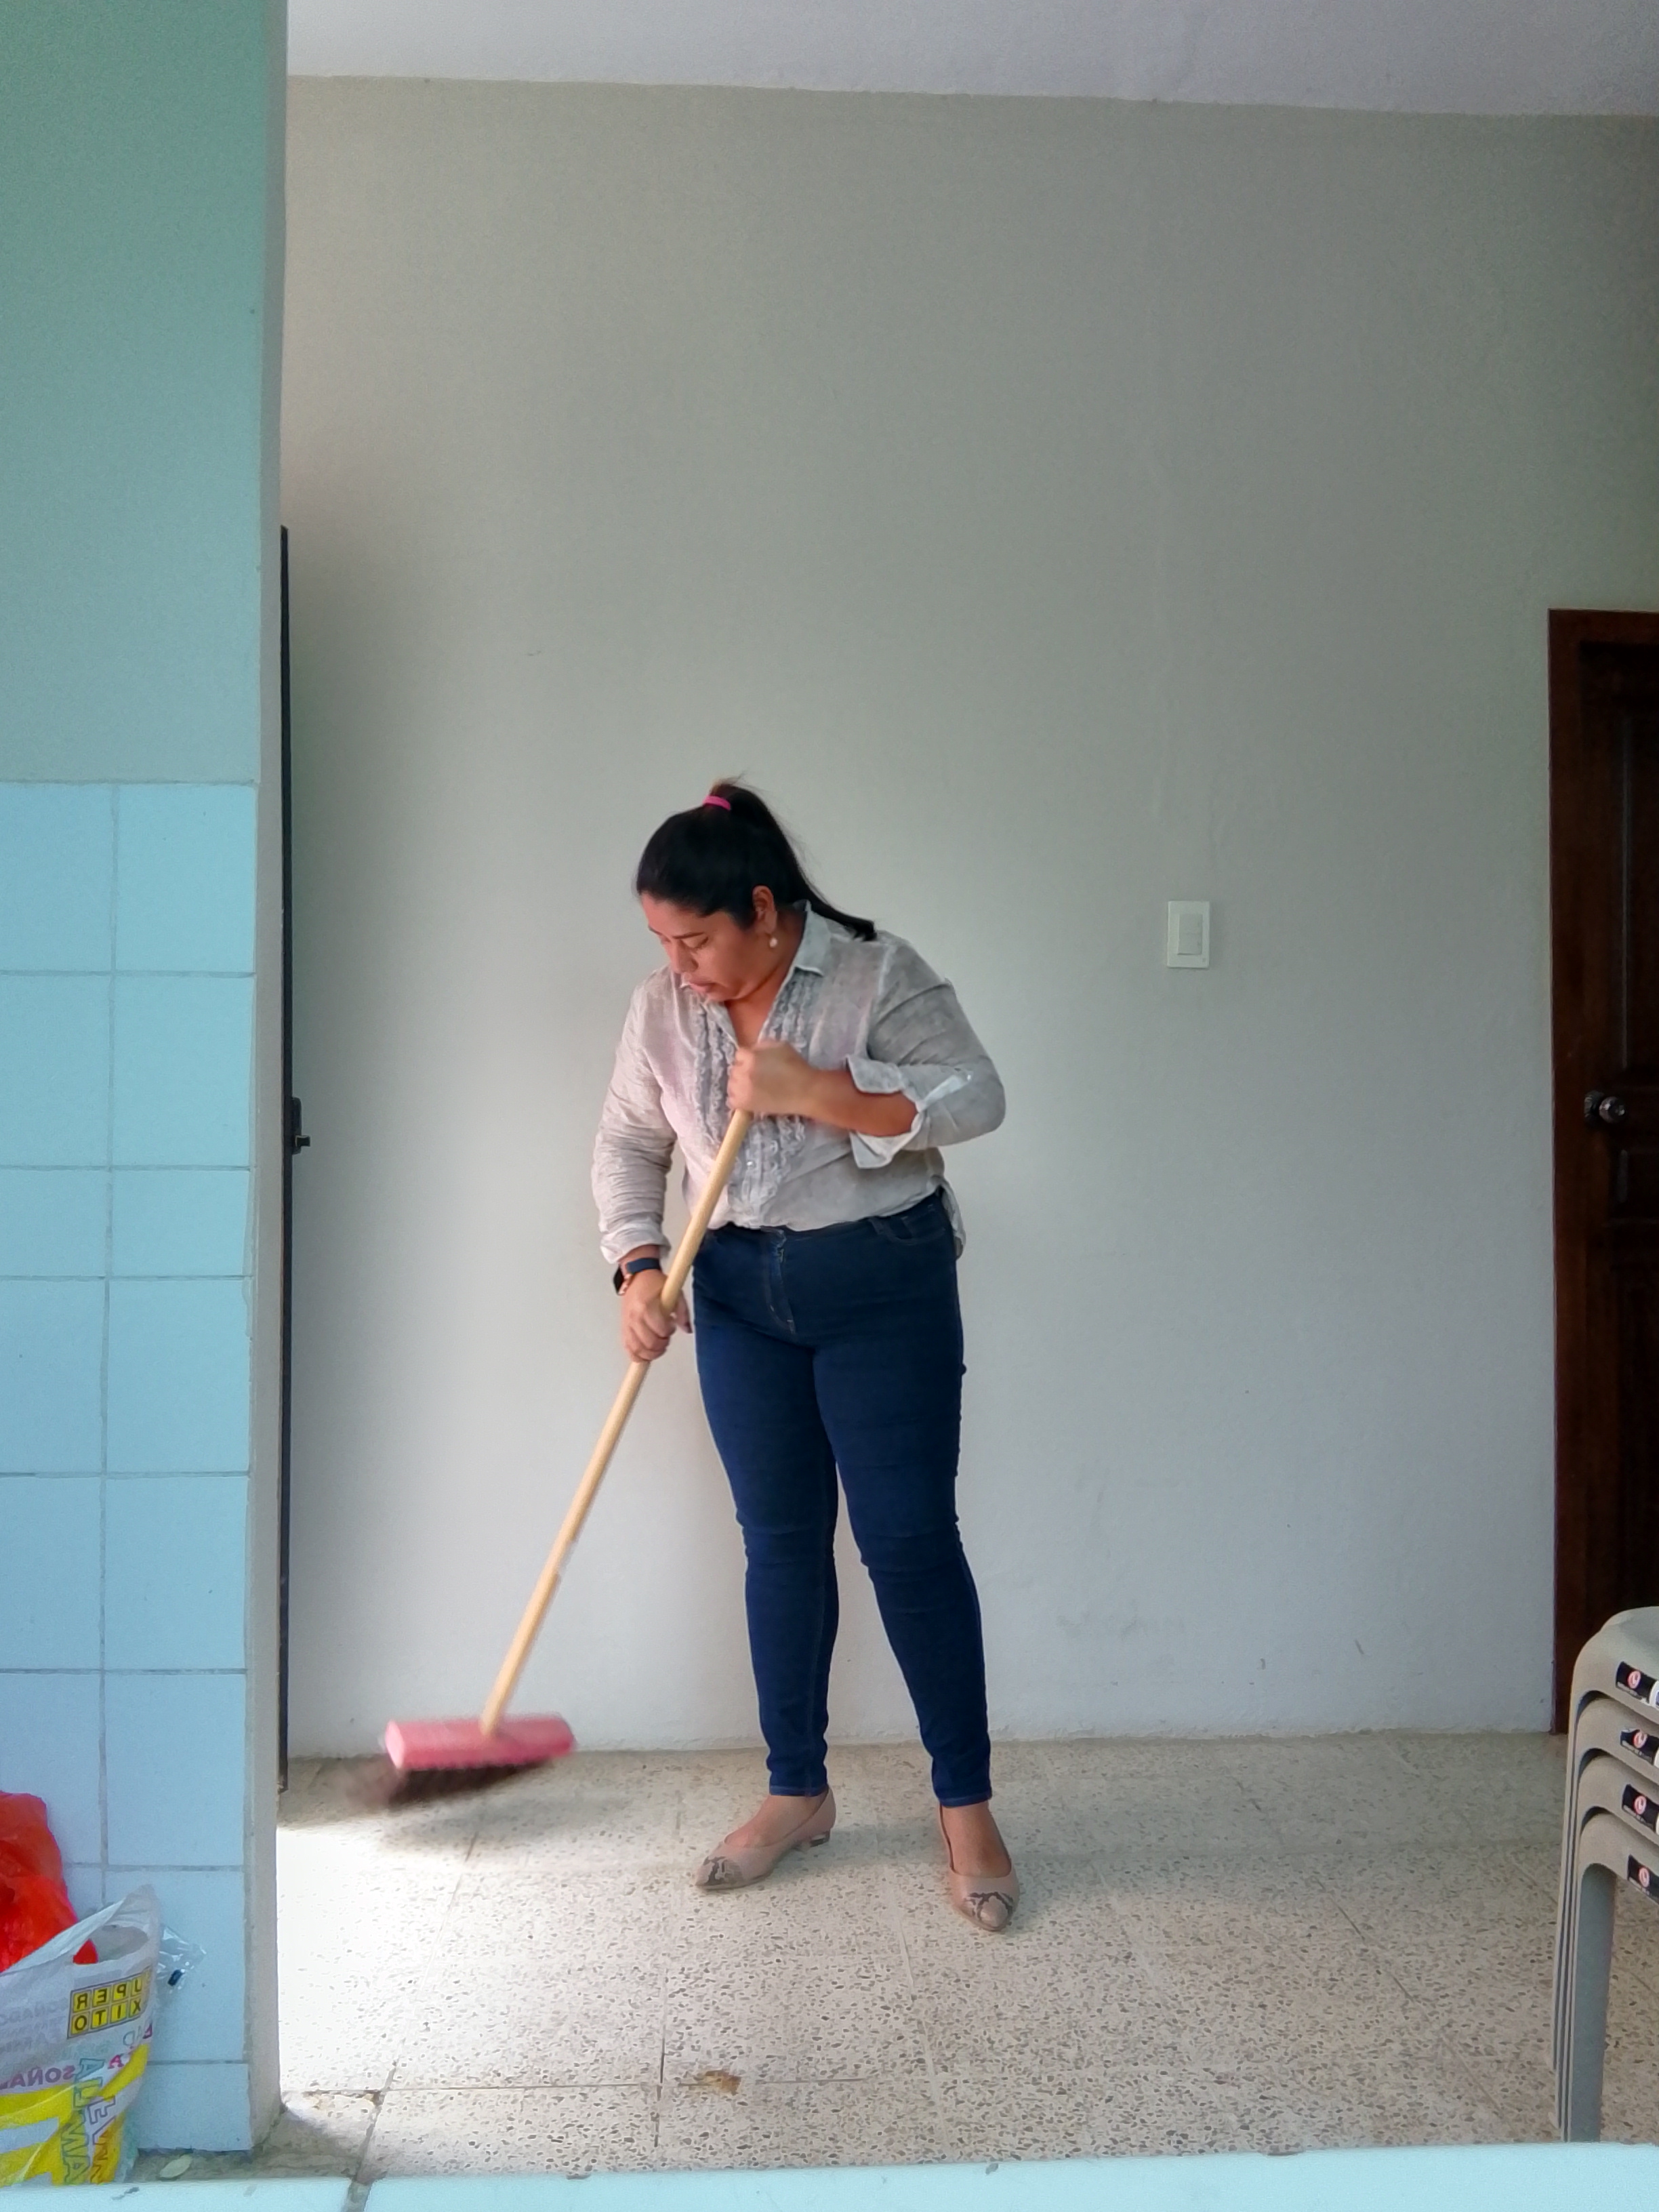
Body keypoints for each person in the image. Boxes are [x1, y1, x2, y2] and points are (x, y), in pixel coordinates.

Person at [592, 781, 1017, 1930]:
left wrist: (824, 1093)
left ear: (764, 909)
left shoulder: (874, 974)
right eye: (663, 943)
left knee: (909, 1545)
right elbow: (628, 1143)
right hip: (737, 1298)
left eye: (695, 941)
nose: (679, 966)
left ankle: (966, 1807)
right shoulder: (660, 1010)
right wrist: (638, 1268)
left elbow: (978, 1096)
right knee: (778, 1546)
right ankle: (797, 1790)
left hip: (882, 1285)